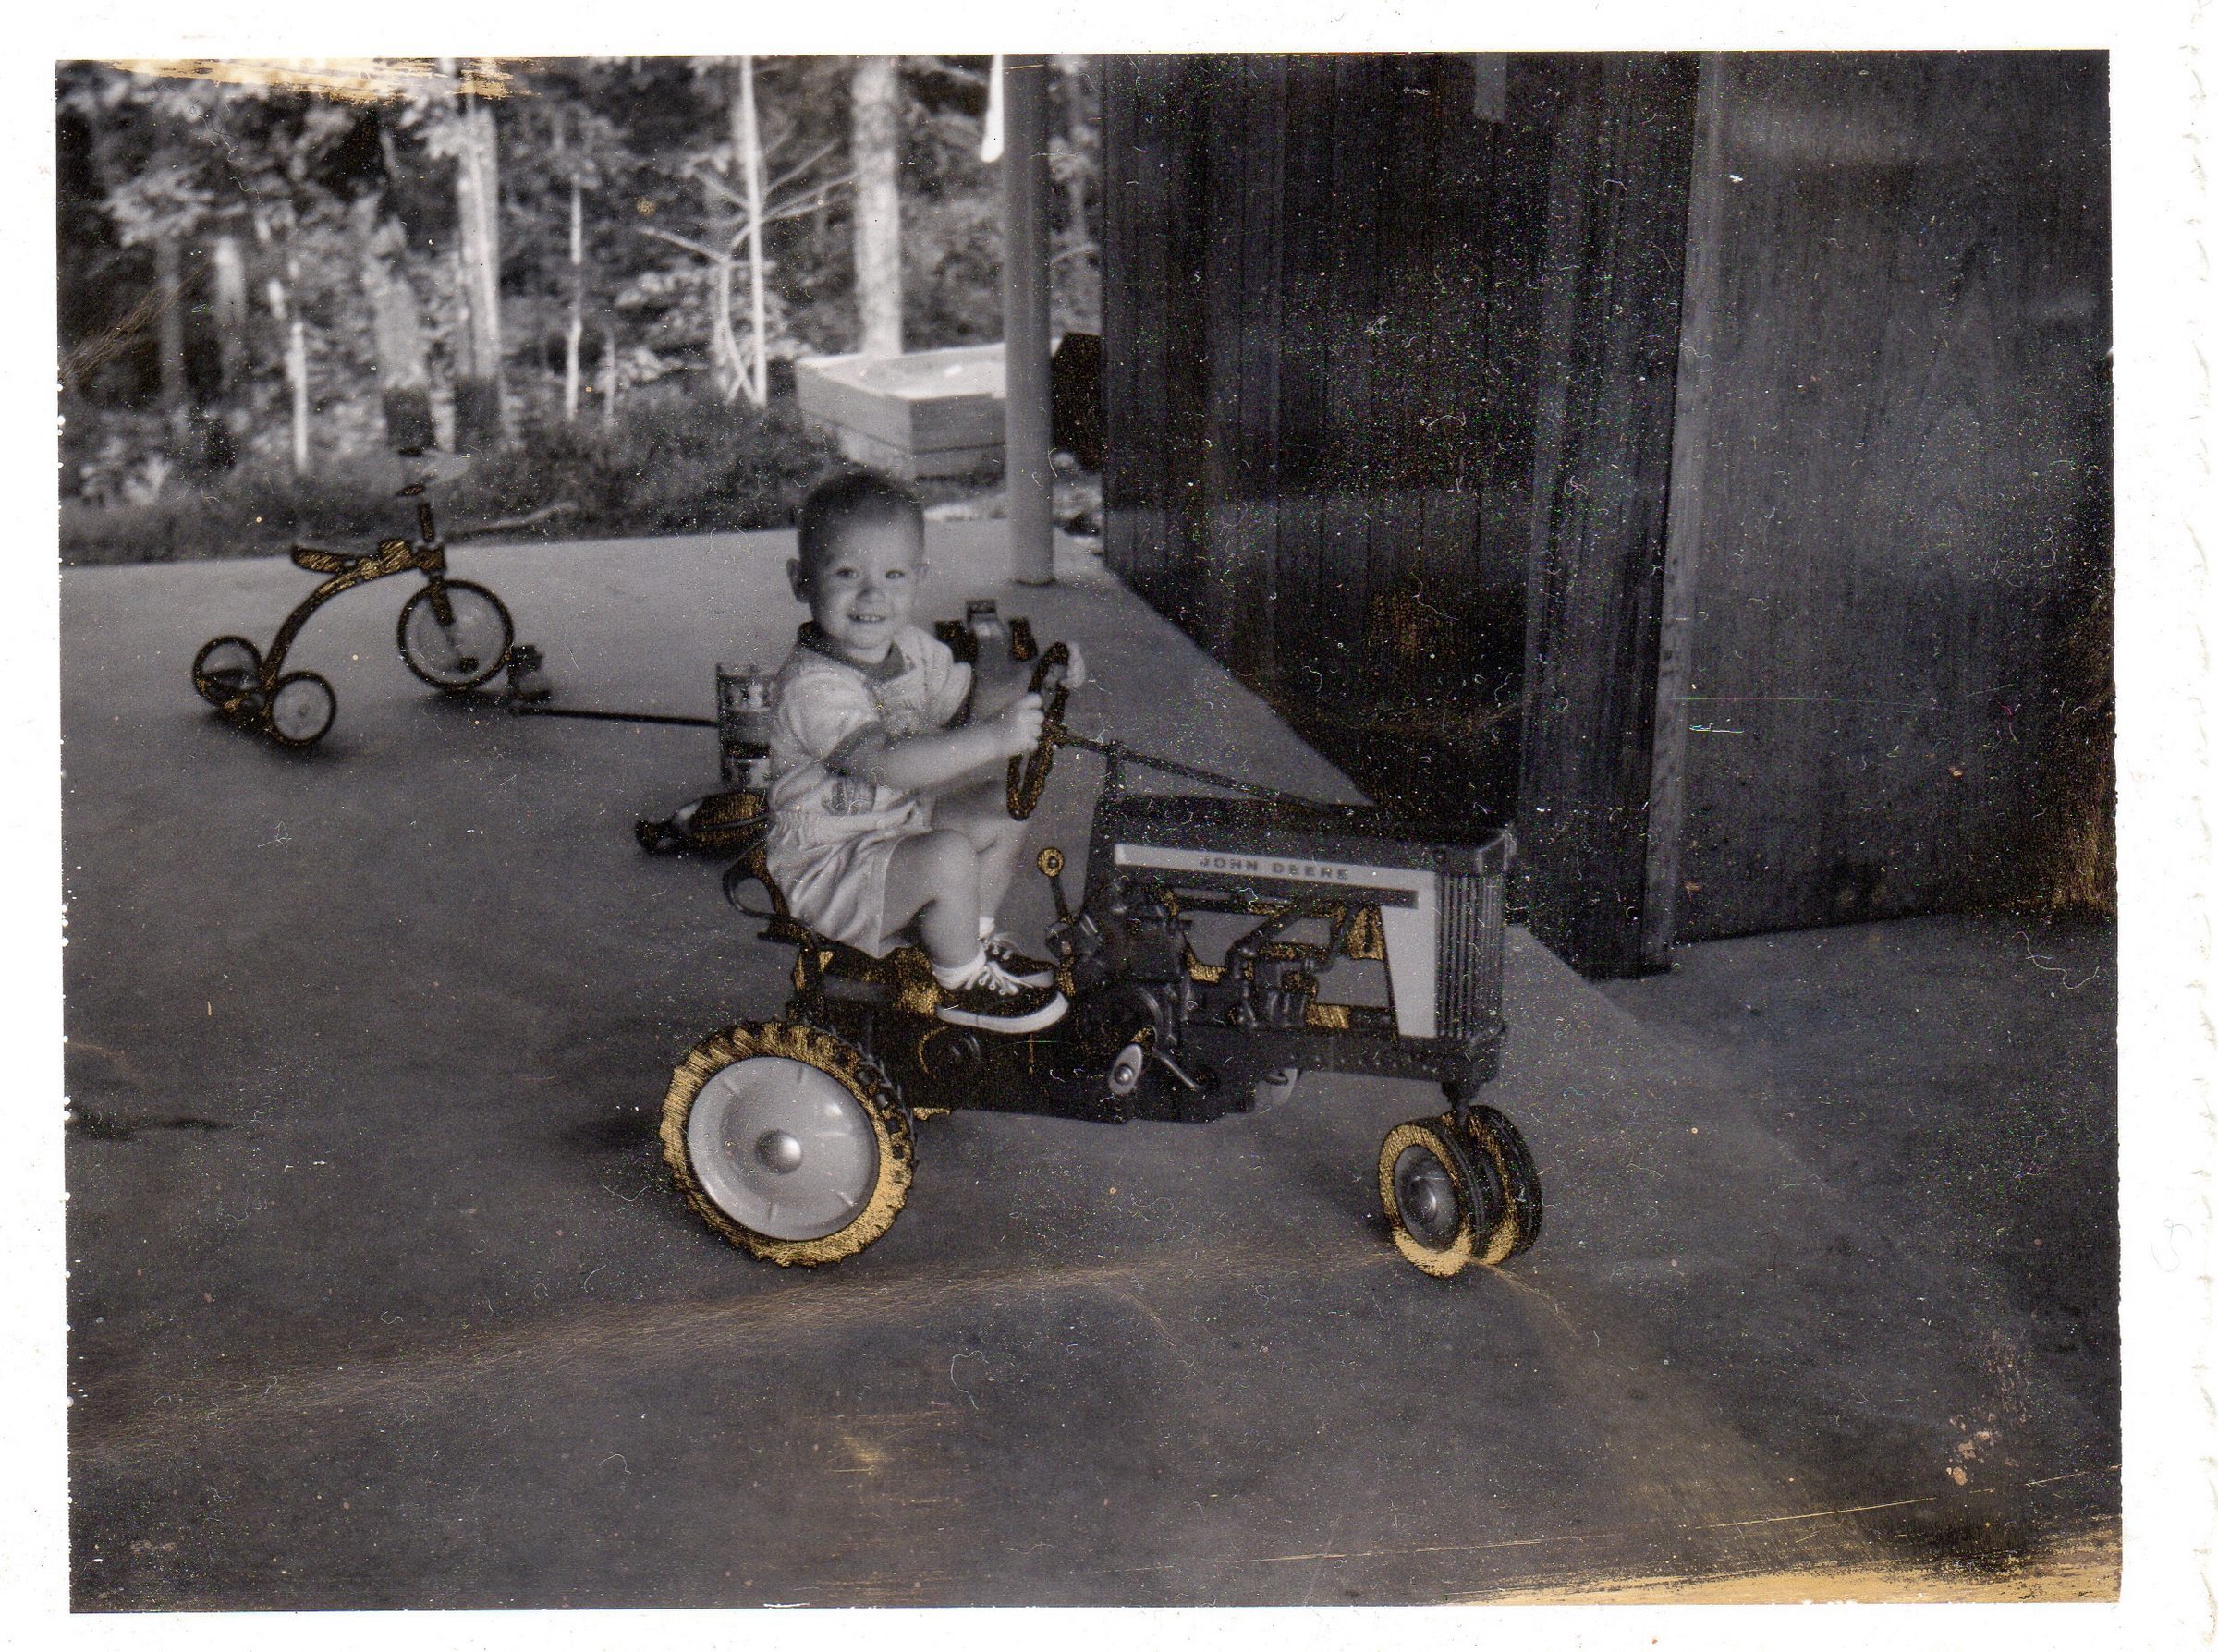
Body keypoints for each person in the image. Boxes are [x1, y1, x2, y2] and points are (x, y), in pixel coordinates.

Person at [762, 469, 1085, 1033]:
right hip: (828, 863)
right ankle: (961, 985)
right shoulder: (812, 687)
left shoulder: (911, 650)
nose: (872, 596)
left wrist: (1044, 680)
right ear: (801, 581)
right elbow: (887, 761)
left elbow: (976, 703)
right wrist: (992, 739)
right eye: (845, 573)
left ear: (919, 578)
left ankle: (974, 937)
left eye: (893, 575)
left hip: (893, 828)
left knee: (1002, 807)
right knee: (947, 856)